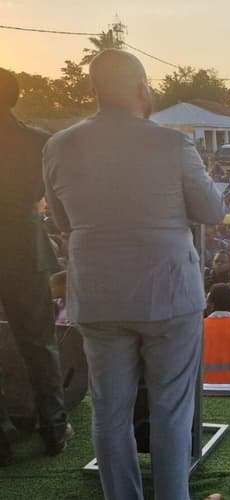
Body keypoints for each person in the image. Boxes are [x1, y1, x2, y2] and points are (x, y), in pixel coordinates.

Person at [42, 50, 224, 499]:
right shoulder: (172, 144)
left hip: (99, 294)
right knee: (170, 410)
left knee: (108, 411)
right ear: (144, 89)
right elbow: (212, 211)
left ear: (91, 91)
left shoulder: (59, 145)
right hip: (169, 293)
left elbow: (63, 220)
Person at [0, 67, 69, 466]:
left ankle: (2, 437)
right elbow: (55, 201)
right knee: (39, 343)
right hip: (25, 248)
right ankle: (54, 430)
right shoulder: (39, 142)